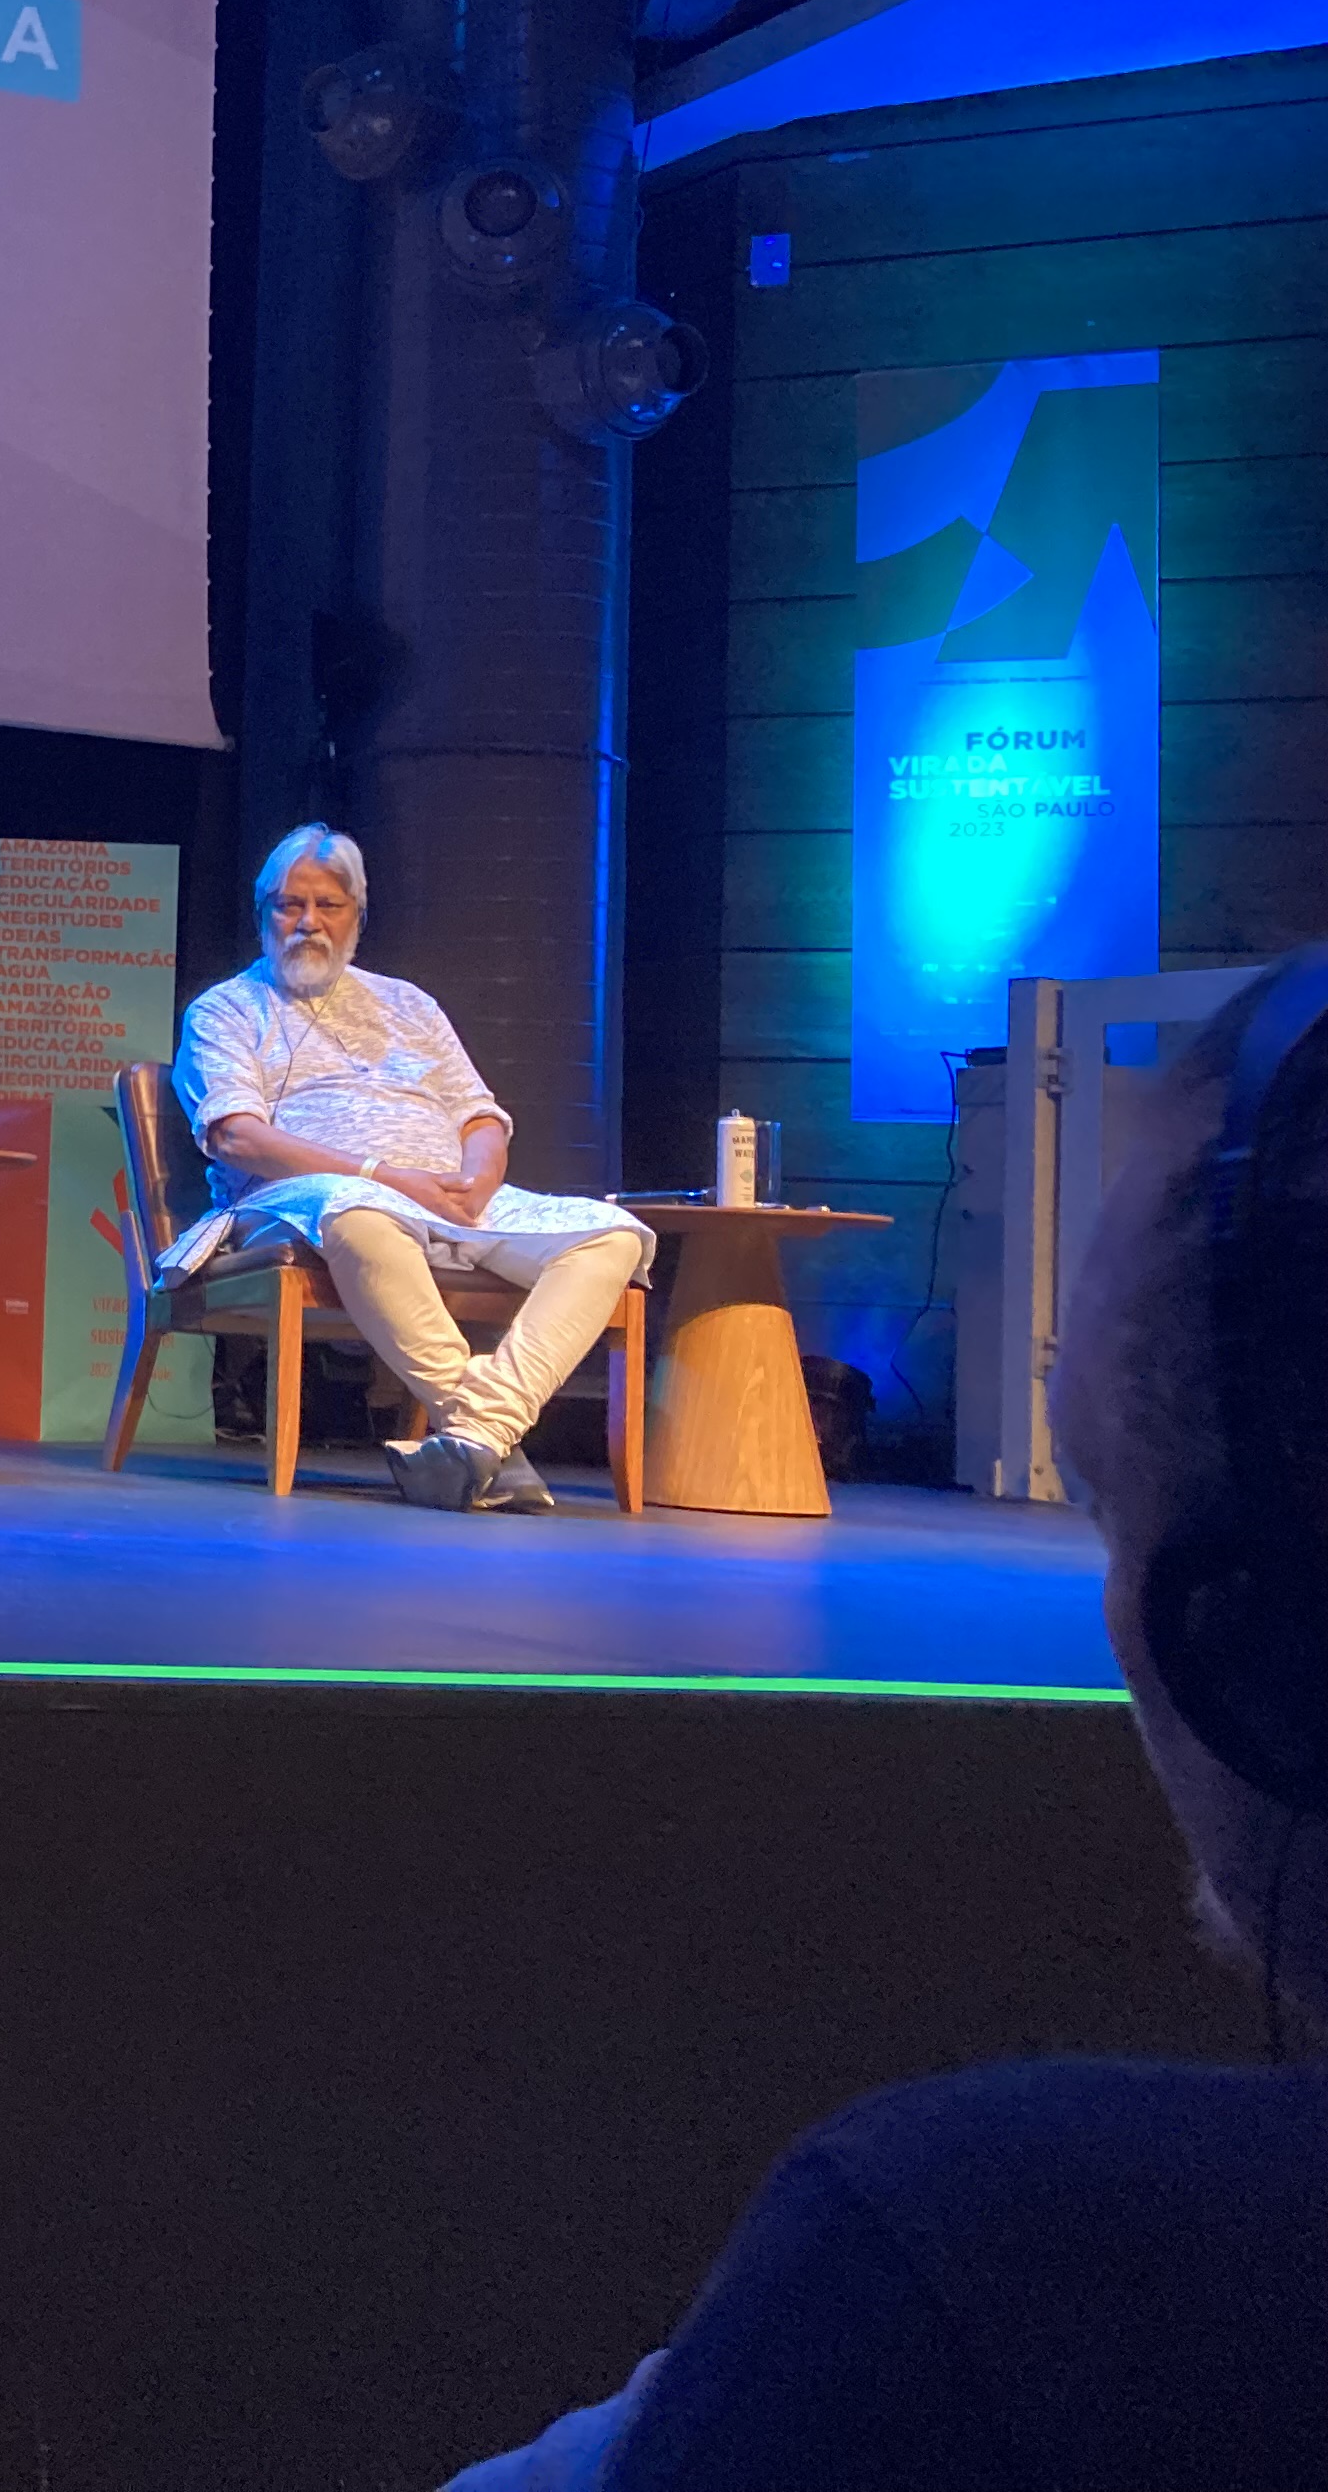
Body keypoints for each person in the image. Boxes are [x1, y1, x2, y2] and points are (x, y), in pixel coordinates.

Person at [439, 951, 1328, 2487]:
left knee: (597, 1235)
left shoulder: (1000, 2278)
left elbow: (478, 1128)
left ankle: (469, 1421)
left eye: (1109, 1524)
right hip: (338, 1203)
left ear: (1256, 1651)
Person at [168, 825, 652, 1513]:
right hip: (303, 1199)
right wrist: (384, 1174)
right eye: (289, 904)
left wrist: (479, 1176)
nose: (308, 922)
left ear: (357, 917)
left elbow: (480, 1116)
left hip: (445, 1196)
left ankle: (480, 1433)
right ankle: (493, 1441)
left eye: (328, 905)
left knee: (614, 1234)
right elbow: (238, 1138)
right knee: (357, 1211)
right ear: (261, 915)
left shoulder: (409, 1005)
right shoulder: (226, 1010)